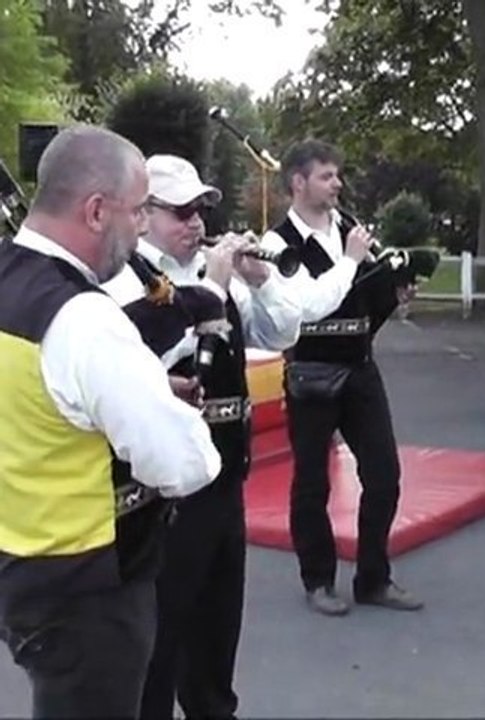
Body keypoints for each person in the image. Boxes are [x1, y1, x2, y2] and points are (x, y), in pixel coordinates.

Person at [0, 125, 222, 718]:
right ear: (96, 211)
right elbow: (181, 463)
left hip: (19, 562)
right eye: (136, 212)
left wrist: (131, 390)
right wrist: (162, 402)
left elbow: (36, 400)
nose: (142, 228)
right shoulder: (84, 319)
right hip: (90, 584)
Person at [102, 154, 303, 718]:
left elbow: (285, 329)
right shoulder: (123, 280)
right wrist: (212, 288)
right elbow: (147, 361)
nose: (196, 222)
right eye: (181, 211)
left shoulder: (216, 274)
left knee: (216, 634)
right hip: (164, 495)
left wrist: (260, 279)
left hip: (224, 479)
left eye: (203, 210)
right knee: (159, 640)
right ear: (141, 217)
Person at [263, 139, 423, 616]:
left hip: (360, 366)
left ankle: (374, 577)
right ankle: (318, 580)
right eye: (327, 176)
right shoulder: (277, 246)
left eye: (338, 175)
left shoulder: (351, 229)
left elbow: (367, 300)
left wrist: (396, 291)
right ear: (298, 182)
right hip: (311, 371)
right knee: (312, 482)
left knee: (385, 476)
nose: (338, 184)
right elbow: (306, 305)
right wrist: (351, 261)